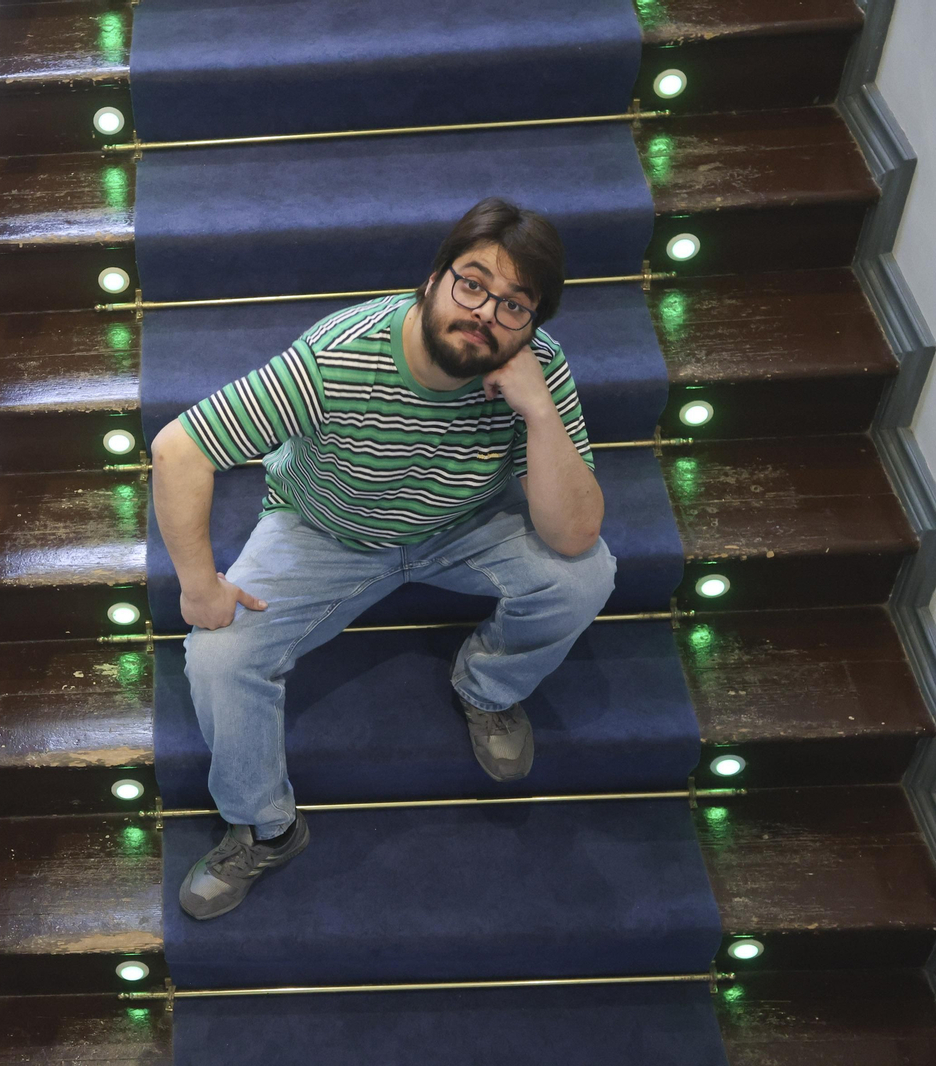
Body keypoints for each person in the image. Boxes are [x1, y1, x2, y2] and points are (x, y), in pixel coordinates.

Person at [151, 197, 616, 921]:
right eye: (472, 284)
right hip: (324, 530)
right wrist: (198, 585)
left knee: (586, 575)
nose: (486, 313)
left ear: (532, 325)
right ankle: (267, 826)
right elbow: (179, 448)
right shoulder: (339, 355)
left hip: (463, 525)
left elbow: (575, 533)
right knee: (217, 656)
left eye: (514, 306)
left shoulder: (537, 371)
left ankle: (488, 689)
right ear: (432, 280)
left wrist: (540, 412)